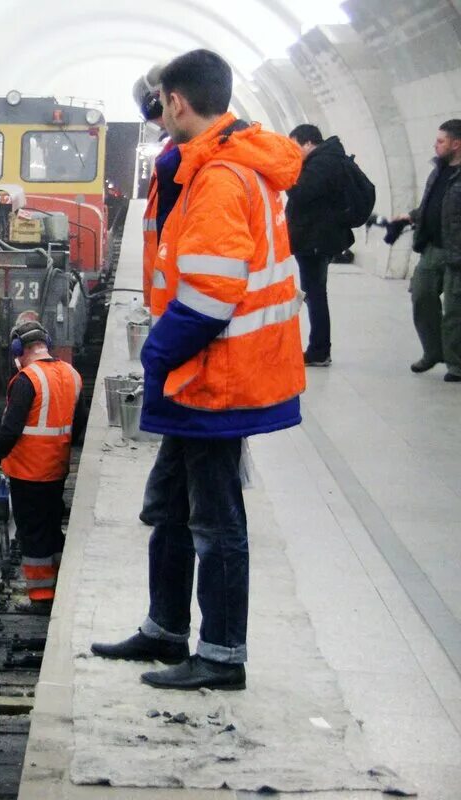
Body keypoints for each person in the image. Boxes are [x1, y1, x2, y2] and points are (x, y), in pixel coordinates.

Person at [91, 49, 305, 691]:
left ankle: (220, 655)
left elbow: (211, 294)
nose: (158, 115)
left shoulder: (219, 176)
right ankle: (164, 629)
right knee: (171, 504)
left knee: (215, 520)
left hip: (216, 373)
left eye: (161, 105)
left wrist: (157, 353)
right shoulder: (219, 161)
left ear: (177, 101)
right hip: (205, 371)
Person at [0, 322, 85, 613]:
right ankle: (60, 587)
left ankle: (41, 598)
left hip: (29, 471)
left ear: (18, 349)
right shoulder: (72, 374)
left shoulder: (27, 378)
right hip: (57, 469)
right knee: (51, 528)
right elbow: (79, 425)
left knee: (32, 533)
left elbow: (10, 428)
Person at [391, 119, 461, 382]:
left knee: (455, 311)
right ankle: (433, 352)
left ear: (457, 144)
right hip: (432, 248)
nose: (436, 145)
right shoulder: (438, 171)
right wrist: (411, 216)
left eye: (441, 141)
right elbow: (432, 205)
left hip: (457, 254)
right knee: (421, 298)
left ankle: (456, 363)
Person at [286, 124, 360, 367]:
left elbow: (301, 193)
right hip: (314, 237)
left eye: (296, 146)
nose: (294, 152)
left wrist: (286, 175)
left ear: (308, 143)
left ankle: (319, 350)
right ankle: (319, 348)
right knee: (315, 293)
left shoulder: (321, 163)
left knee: (315, 294)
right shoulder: (325, 159)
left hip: (315, 240)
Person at [134, 63, 181, 308]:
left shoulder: (187, 163)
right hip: (166, 298)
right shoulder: (173, 158)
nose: (164, 130)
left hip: (179, 308)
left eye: (162, 123)